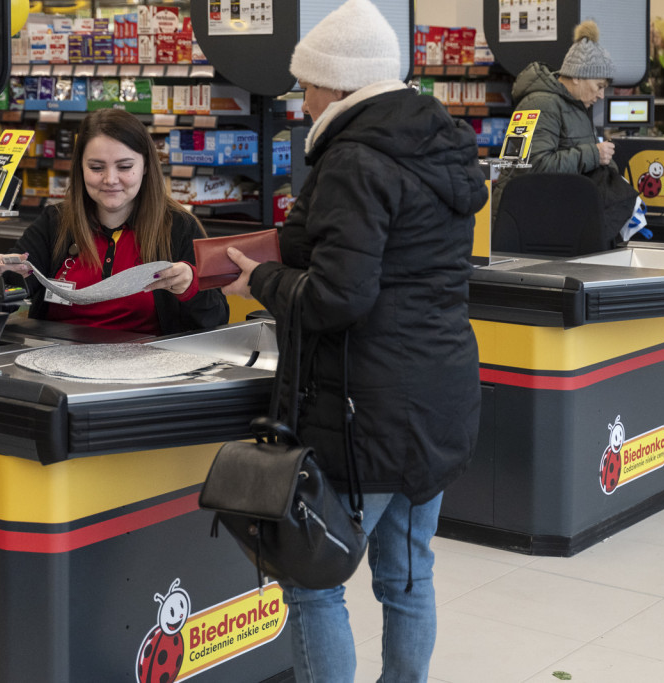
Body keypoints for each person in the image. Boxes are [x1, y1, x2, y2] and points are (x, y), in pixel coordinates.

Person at [220, 0, 487, 680]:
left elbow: (341, 296)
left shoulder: (353, 161)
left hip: (364, 406)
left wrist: (268, 281)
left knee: (314, 582)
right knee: (407, 577)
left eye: (306, 85)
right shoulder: (439, 146)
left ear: (337, 86)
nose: (303, 102)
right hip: (440, 395)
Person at [0, 108, 228, 335]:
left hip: (146, 370)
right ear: (80, 168)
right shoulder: (55, 222)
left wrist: (190, 288)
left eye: (124, 167)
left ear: (146, 166)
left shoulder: (178, 227)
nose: (110, 179)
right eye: (96, 167)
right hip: (53, 363)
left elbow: (216, 321)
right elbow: (3, 299)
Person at [492, 20, 639, 247]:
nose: (601, 95)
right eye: (599, 86)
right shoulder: (538, 104)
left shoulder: (575, 107)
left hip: (553, 219)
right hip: (526, 225)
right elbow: (530, 166)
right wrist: (593, 154)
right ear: (577, 76)